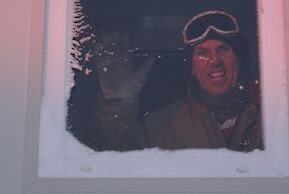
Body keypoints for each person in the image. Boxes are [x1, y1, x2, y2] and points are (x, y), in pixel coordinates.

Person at [86, 10, 264, 152]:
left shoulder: (270, 118)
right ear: (192, 68)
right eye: (202, 53)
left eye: (223, 49)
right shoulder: (161, 125)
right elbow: (111, 155)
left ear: (239, 60)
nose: (214, 60)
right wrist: (117, 104)